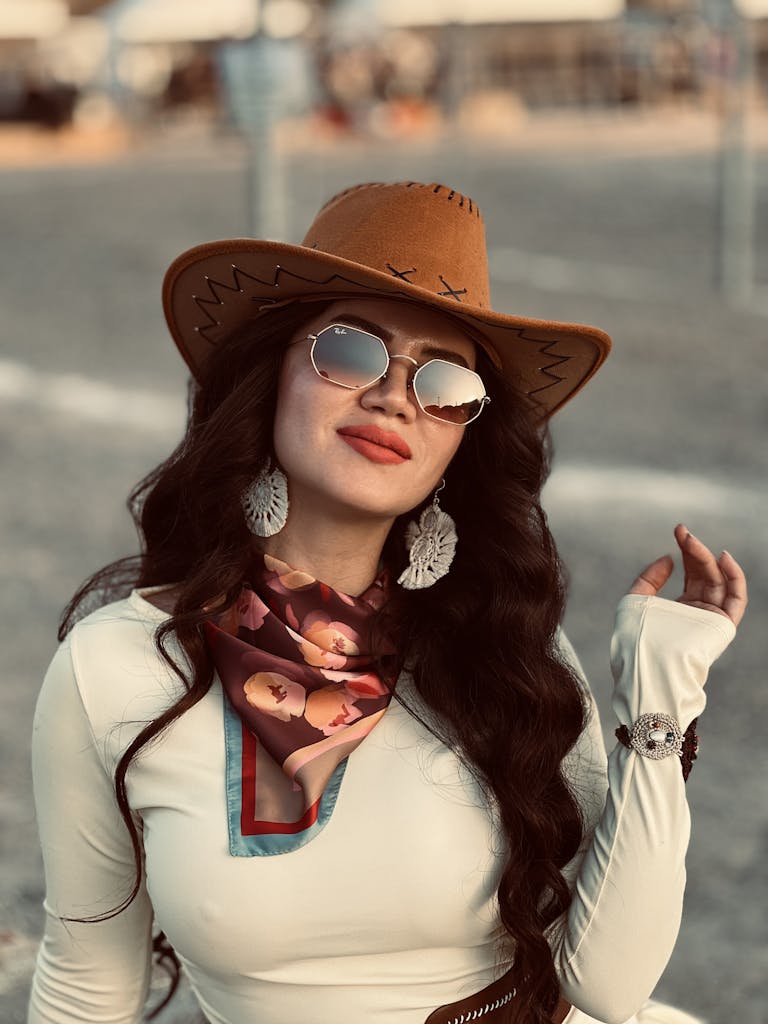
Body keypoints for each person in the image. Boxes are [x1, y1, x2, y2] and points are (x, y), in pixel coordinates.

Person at [28, 181, 747, 1024]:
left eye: (446, 383)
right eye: (350, 351)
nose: (395, 396)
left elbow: (609, 986)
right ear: (270, 377)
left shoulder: (507, 650)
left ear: (460, 440)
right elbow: (85, 987)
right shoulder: (113, 668)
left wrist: (663, 694)